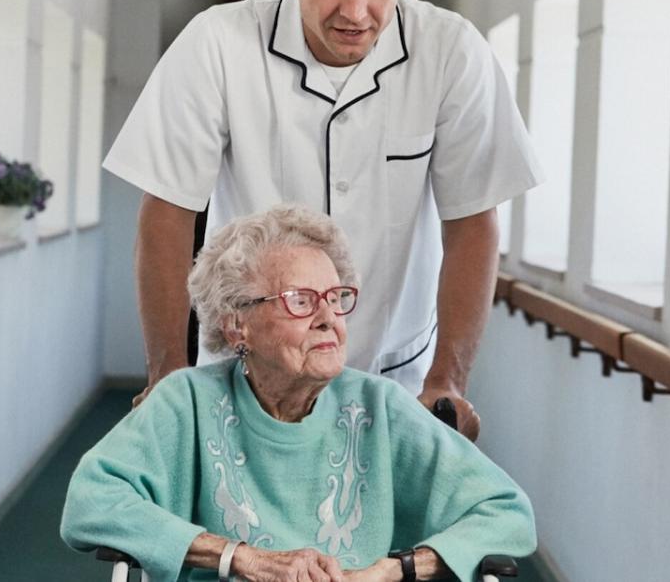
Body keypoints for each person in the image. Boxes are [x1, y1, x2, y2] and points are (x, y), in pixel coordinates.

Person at [103, 0, 544, 440]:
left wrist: (448, 378)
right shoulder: (216, 43)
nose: (355, 10)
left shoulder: (453, 53)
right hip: (247, 375)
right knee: (230, 525)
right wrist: (167, 375)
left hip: (395, 379)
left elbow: (472, 222)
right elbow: (168, 214)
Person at [61, 205, 536, 582]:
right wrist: (238, 559)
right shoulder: (185, 402)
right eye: (301, 300)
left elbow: (507, 512)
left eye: (336, 297)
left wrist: (391, 570)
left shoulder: (381, 407)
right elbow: (89, 501)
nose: (329, 317)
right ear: (236, 323)